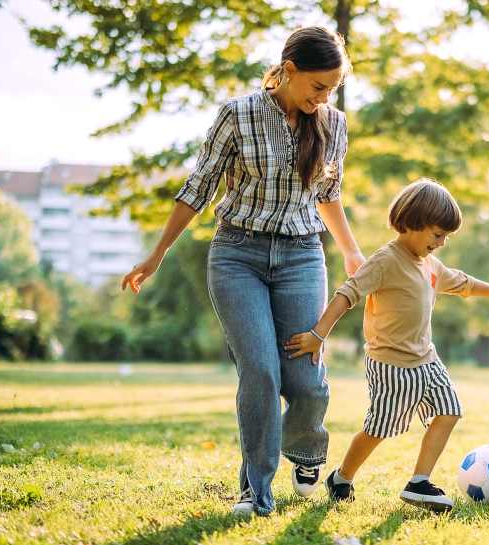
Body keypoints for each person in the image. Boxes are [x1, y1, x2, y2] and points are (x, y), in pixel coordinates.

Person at [120, 26, 365, 518]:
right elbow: (199, 188)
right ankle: (256, 490)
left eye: (333, 88)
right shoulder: (238, 114)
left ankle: (306, 449)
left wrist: (352, 252)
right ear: (289, 70)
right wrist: (157, 254)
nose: (324, 97)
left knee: (306, 380)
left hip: (301, 256)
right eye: (318, 86)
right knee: (260, 372)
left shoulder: (333, 124)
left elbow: (328, 195)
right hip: (238, 255)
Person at [284, 178, 489, 513]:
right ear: (413, 223)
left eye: (445, 236)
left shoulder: (430, 265)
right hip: (390, 364)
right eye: (437, 234)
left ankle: (419, 482)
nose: (442, 243)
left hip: (427, 359)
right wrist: (319, 334)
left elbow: (465, 283)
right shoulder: (385, 261)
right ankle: (341, 477)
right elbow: (347, 294)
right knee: (379, 429)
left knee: (449, 411)